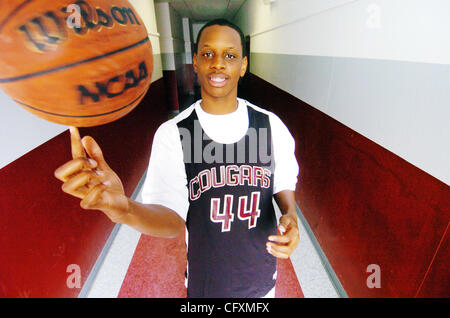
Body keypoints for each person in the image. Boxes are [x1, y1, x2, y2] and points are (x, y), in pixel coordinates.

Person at [54, 19, 300, 298]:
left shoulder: (270, 125)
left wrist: (290, 215)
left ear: (243, 65)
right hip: (206, 283)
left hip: (262, 278)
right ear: (195, 62)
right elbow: (171, 219)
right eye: (208, 54)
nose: (218, 63)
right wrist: (124, 209)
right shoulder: (174, 134)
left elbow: (282, 181)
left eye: (230, 55)